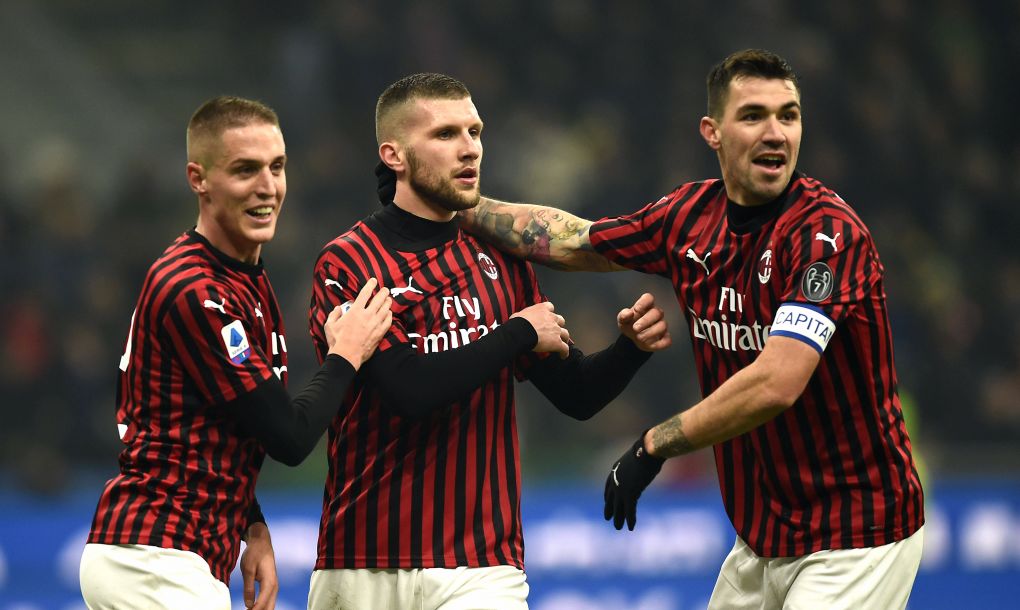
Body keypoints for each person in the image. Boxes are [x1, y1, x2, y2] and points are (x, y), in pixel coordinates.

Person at [458, 49, 925, 609]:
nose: (775, 133)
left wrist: (654, 445)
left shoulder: (826, 237)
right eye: (753, 116)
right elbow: (572, 241)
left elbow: (777, 381)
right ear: (713, 131)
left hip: (857, 530)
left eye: (789, 115)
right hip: (763, 537)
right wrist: (460, 203)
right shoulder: (688, 217)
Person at [305, 73, 671, 610]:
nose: (470, 147)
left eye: (475, 131)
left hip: (482, 567)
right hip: (362, 563)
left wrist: (630, 350)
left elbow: (577, 396)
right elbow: (407, 392)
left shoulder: (500, 260)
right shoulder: (348, 262)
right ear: (394, 155)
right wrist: (519, 331)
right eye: (446, 133)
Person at [80, 96, 393, 610]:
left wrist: (253, 526)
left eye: (276, 167)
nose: (267, 186)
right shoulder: (194, 287)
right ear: (198, 179)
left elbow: (221, 425)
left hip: (175, 555)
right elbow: (288, 437)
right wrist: (346, 354)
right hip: (153, 556)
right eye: (245, 170)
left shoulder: (245, 280)